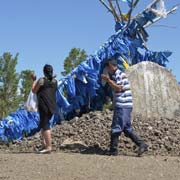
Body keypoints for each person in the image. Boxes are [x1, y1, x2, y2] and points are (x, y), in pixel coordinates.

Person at [101, 59, 148, 156]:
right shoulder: (118, 75)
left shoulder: (119, 74)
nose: (106, 70)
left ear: (110, 66)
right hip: (126, 105)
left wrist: (108, 80)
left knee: (116, 127)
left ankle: (113, 150)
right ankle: (142, 144)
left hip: (122, 105)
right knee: (127, 128)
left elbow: (118, 88)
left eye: (106, 67)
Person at [31, 64, 58, 154]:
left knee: (45, 126)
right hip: (52, 105)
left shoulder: (41, 81)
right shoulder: (55, 81)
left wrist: (34, 80)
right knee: (43, 125)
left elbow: (34, 90)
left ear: (44, 72)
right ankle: (45, 145)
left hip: (44, 105)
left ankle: (49, 147)